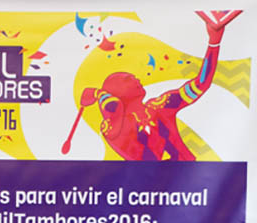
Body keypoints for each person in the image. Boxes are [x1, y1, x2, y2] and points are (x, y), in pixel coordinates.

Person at [62, 10, 241, 160]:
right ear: (117, 92)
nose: (137, 80)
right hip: (152, 187)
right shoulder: (114, 126)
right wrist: (98, 93)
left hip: (189, 184)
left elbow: (201, 84)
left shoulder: (160, 105)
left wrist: (214, 42)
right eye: (128, 80)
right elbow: (113, 107)